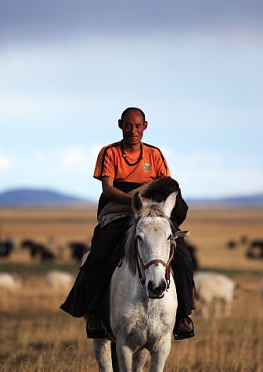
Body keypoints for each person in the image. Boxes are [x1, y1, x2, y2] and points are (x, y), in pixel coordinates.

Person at [61, 107, 195, 340]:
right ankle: (93, 314)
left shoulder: (154, 154)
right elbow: (108, 189)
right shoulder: (110, 152)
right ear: (120, 125)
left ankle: (183, 316)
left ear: (145, 127)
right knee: (98, 255)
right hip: (117, 212)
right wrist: (135, 201)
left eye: (137, 126)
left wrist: (150, 206)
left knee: (182, 256)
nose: (133, 130)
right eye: (128, 125)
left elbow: (166, 184)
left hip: (150, 214)